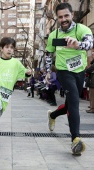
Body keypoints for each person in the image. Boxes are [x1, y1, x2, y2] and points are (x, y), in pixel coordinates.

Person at [45, 2, 93, 155]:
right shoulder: (54, 35)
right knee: (74, 100)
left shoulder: (82, 29)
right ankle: (75, 140)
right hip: (63, 71)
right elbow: (48, 54)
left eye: (66, 15)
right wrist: (47, 71)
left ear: (72, 15)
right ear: (57, 18)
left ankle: (52, 115)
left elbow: (90, 43)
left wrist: (78, 45)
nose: (64, 19)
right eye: (60, 17)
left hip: (79, 72)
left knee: (70, 104)